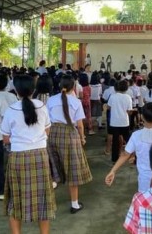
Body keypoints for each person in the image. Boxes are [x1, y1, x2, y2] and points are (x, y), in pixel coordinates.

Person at [0, 75, 55, 233]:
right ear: (34, 89)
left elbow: (5, 138)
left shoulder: (11, 110)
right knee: (42, 197)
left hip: (18, 156)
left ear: (16, 90)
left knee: (15, 198)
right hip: (39, 155)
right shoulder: (42, 106)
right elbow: (47, 130)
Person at [47, 75, 92, 213]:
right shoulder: (75, 102)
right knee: (72, 170)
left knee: (53, 167)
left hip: (53, 133)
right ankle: (74, 204)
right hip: (70, 135)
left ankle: (49, 202)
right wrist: (82, 138)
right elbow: (79, 124)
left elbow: (46, 121)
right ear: (73, 87)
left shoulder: (51, 100)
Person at [105, 103, 152, 192]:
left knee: (145, 202)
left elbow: (125, 154)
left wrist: (113, 171)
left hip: (145, 178)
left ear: (142, 117)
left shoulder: (136, 136)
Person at [107, 80, 133, 162]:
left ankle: (114, 158)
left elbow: (109, 107)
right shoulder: (128, 97)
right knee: (128, 140)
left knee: (115, 141)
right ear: (126, 88)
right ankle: (133, 155)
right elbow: (129, 111)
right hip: (124, 121)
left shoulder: (112, 96)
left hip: (114, 122)